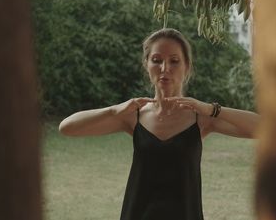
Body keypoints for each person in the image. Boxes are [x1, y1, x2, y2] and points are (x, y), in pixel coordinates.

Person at [59, 28, 259, 220]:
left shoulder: (201, 118)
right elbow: (67, 127)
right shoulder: (132, 116)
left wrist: (213, 109)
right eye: (156, 60)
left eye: (174, 61)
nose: (165, 69)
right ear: (146, 64)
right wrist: (113, 110)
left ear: (187, 66)